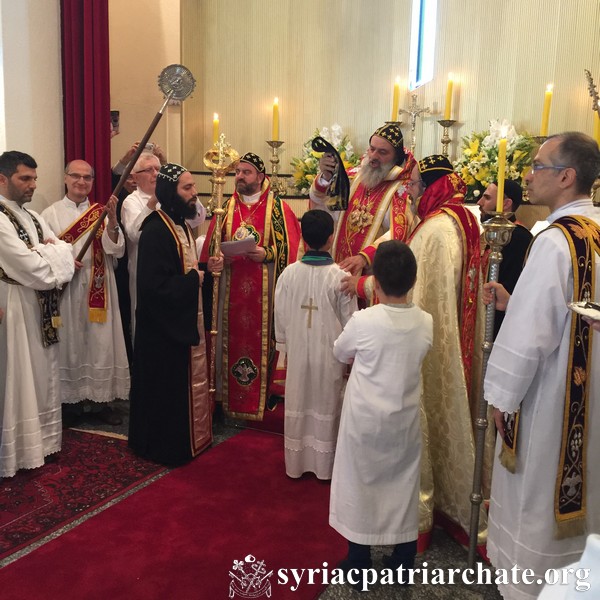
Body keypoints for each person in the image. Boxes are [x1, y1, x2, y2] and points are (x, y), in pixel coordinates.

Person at [343, 155, 485, 549]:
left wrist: (361, 287)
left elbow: (410, 299)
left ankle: (412, 520)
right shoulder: (465, 218)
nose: (415, 189)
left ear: (436, 185)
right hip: (453, 335)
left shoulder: (436, 230)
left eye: (421, 183)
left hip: (425, 352)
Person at [483, 132, 600, 600]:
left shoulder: (553, 241)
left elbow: (531, 333)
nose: (529, 176)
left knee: (535, 491)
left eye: (538, 166)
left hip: (553, 397)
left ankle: (531, 583)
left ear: (566, 176)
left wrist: (502, 399)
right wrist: (516, 299)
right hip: (591, 394)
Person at [329, 240, 433, 589]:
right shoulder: (426, 322)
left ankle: (358, 561)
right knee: (402, 488)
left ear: (376, 280)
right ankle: (402, 562)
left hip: (364, 422)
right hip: (403, 420)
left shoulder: (363, 320)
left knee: (359, 484)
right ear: (412, 279)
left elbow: (340, 352)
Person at [200, 153, 301, 420]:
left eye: (246, 172)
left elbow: (290, 251)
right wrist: (216, 258)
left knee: (260, 340)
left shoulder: (277, 209)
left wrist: (266, 254)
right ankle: (223, 396)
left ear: (260, 176)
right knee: (225, 338)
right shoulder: (226, 207)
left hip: (262, 292)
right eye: (238, 172)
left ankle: (260, 395)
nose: (240, 177)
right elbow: (212, 245)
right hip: (229, 292)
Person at [128, 163, 216, 466]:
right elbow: (155, 288)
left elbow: (183, 271)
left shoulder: (179, 224)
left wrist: (203, 272)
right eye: (187, 188)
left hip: (178, 324)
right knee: (165, 392)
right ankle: (166, 446)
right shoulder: (155, 230)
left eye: (193, 187)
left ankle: (188, 438)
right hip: (162, 333)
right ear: (170, 192)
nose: (194, 194)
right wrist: (195, 280)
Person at [0, 151, 76, 477]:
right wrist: (50, 253)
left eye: (34, 178)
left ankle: (42, 444)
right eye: (24, 178)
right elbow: (34, 269)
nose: (32, 185)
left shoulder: (31, 217)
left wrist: (50, 252)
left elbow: (66, 252)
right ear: (2, 179)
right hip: (15, 305)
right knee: (19, 376)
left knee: (42, 372)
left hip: (39, 306)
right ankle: (18, 451)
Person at [41, 160, 130, 426]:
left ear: (93, 181)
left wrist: (113, 222)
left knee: (100, 342)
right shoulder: (49, 214)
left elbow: (116, 250)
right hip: (68, 289)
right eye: (76, 176)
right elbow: (43, 251)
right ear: (66, 179)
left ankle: (101, 402)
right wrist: (64, 260)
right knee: (72, 341)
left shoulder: (102, 212)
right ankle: (71, 403)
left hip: (98, 285)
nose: (82, 182)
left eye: (87, 178)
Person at [274, 210, 357, 479]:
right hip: (329, 354)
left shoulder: (288, 274)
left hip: (298, 352)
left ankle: (295, 466)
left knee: (299, 398)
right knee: (325, 402)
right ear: (331, 238)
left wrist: (285, 346)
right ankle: (325, 470)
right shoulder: (340, 276)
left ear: (304, 241)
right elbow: (351, 322)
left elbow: (281, 314)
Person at [310, 122, 417, 277]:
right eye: (372, 149)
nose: (373, 156)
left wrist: (365, 257)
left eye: (382, 152)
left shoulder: (403, 189)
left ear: (396, 157)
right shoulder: (354, 176)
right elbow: (324, 209)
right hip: (338, 268)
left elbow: (399, 233)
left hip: (373, 274)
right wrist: (326, 177)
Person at [477, 179, 532, 337]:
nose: (479, 202)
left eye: (487, 198)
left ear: (506, 204)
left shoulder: (520, 238)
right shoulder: (488, 234)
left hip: (500, 327)